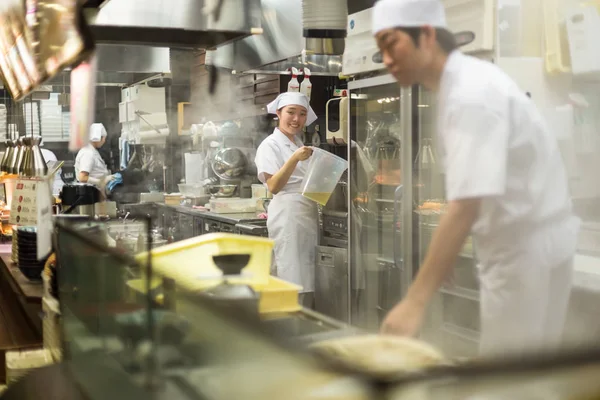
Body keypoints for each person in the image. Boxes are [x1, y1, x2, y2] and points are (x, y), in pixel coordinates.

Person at [373, 0, 580, 355]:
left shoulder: (470, 94)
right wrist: (447, 255)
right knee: (532, 379)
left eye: (391, 43)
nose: (386, 59)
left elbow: (466, 205)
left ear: (425, 34)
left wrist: (415, 301)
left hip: (522, 254)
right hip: (535, 244)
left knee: (506, 383)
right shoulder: (466, 81)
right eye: (380, 49)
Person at [254, 92, 319, 307]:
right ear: (278, 113)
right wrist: (294, 158)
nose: (296, 119)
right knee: (291, 275)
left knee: (306, 276)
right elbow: (273, 186)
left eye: (302, 114)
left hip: (306, 213)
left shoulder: (297, 142)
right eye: (291, 112)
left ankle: (304, 327)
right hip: (288, 215)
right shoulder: (270, 145)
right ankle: (291, 330)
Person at [74, 123, 112, 189]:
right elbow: (82, 177)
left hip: (94, 191)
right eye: (103, 138)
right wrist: (101, 181)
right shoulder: (88, 153)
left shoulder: (92, 150)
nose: (104, 140)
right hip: (89, 193)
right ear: (97, 137)